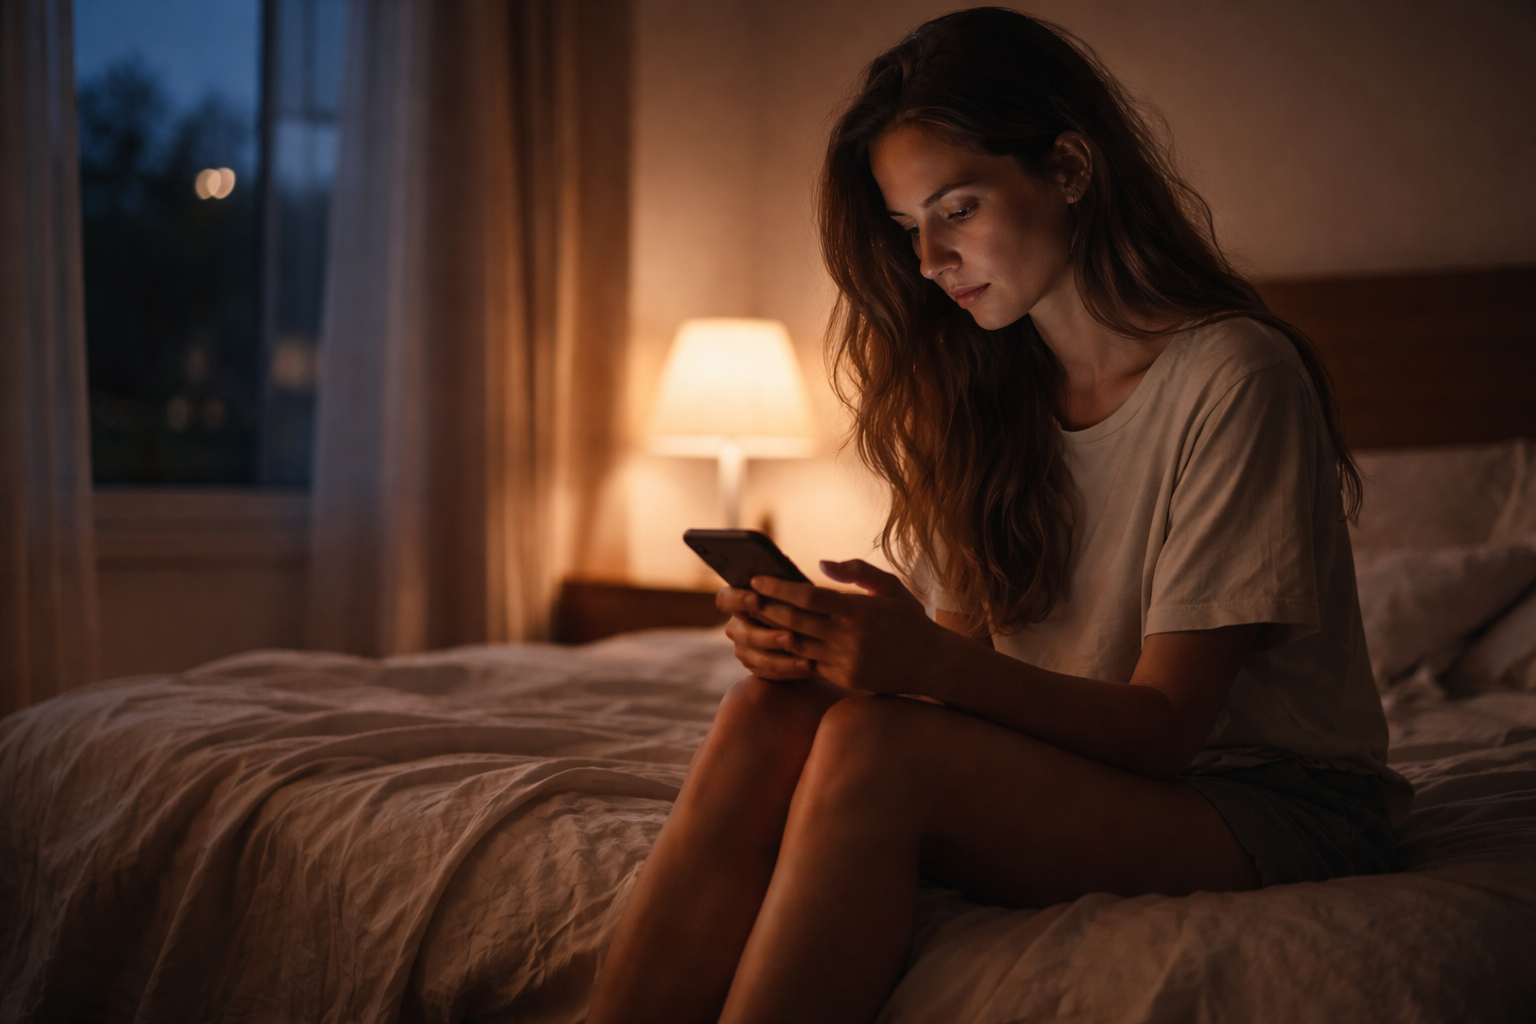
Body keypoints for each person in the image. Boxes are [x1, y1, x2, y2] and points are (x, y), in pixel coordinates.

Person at [587, 8, 1409, 1024]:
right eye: (907, 228)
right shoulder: (988, 389)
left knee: (876, 751)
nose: (930, 259)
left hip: (1262, 801)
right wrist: (865, 645)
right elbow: (978, 674)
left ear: (1068, 167)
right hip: (1089, 768)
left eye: (958, 209)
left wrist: (930, 667)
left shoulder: (1235, 375)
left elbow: (1163, 729)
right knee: (775, 707)